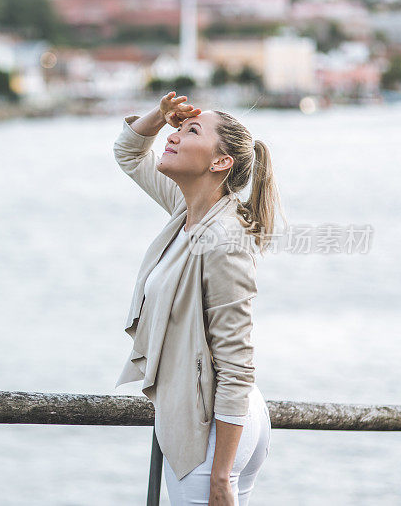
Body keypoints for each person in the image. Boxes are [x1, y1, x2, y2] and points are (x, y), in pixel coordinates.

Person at [112, 92, 287, 505]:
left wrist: (221, 474)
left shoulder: (224, 240)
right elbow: (128, 153)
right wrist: (160, 115)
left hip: (211, 431)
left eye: (191, 130)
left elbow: (236, 360)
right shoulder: (186, 209)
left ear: (220, 162)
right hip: (220, 419)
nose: (173, 136)